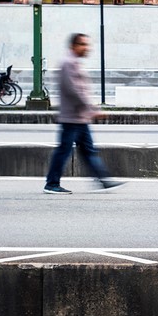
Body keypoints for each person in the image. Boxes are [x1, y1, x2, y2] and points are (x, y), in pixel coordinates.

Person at [43, 32, 123, 194]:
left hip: (79, 118)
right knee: (64, 151)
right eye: (83, 44)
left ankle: (103, 180)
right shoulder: (68, 63)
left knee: (88, 151)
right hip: (71, 118)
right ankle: (51, 183)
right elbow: (74, 91)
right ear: (74, 46)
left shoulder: (74, 63)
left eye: (87, 44)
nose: (87, 48)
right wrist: (92, 110)